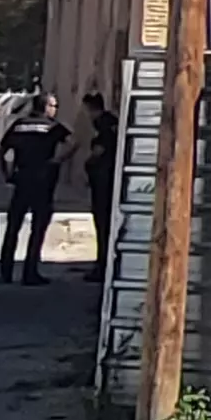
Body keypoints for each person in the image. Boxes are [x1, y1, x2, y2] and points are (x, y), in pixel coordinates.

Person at [0, 98, 70, 285]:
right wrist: (57, 161)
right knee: (38, 227)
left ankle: (6, 272)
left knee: (13, 226)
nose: (55, 110)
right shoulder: (52, 127)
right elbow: (73, 143)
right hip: (43, 180)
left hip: (22, 178)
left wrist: (6, 174)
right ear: (45, 107)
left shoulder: (19, 125)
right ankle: (30, 272)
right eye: (53, 106)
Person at [80, 92, 122, 280]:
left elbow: (100, 149)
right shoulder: (112, 121)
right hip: (110, 179)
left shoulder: (102, 123)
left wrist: (89, 162)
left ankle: (102, 266)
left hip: (103, 181)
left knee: (102, 225)